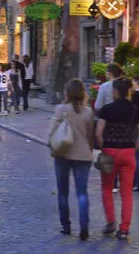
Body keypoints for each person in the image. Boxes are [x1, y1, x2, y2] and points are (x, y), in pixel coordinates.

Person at [96, 78, 139, 241]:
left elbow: (98, 133)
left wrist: (104, 149)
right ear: (129, 92)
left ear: (115, 92)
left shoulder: (106, 110)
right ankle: (124, 229)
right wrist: (133, 148)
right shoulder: (135, 111)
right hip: (128, 152)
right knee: (127, 192)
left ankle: (110, 221)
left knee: (107, 188)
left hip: (109, 150)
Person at [49, 78, 95, 241]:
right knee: (82, 193)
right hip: (83, 155)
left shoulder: (61, 109)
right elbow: (90, 136)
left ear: (67, 93)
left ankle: (66, 225)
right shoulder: (88, 112)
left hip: (63, 154)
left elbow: (52, 131)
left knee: (63, 192)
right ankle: (84, 226)